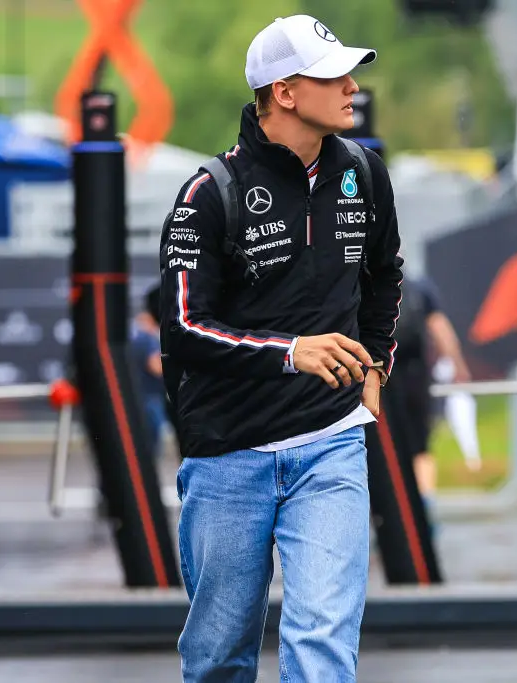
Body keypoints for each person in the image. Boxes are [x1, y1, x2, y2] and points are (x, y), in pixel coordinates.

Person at [159, 15, 402, 682]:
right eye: (334, 76)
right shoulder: (207, 194)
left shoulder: (365, 173)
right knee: (218, 657)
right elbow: (182, 329)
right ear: (286, 92)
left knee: (322, 639)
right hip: (228, 455)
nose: (353, 86)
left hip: (332, 442)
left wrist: (375, 360)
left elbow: (385, 272)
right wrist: (291, 350)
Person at [392, 275, 471, 506]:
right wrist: (458, 366)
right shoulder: (420, 288)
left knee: (381, 448)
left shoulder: (367, 283)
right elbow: (440, 328)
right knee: (421, 447)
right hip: (416, 375)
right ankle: (425, 507)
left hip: (378, 377)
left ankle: (388, 511)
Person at [130, 285, 167, 461]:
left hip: (136, 397)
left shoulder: (132, 336)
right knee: (149, 452)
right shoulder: (148, 339)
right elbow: (156, 366)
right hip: (150, 399)